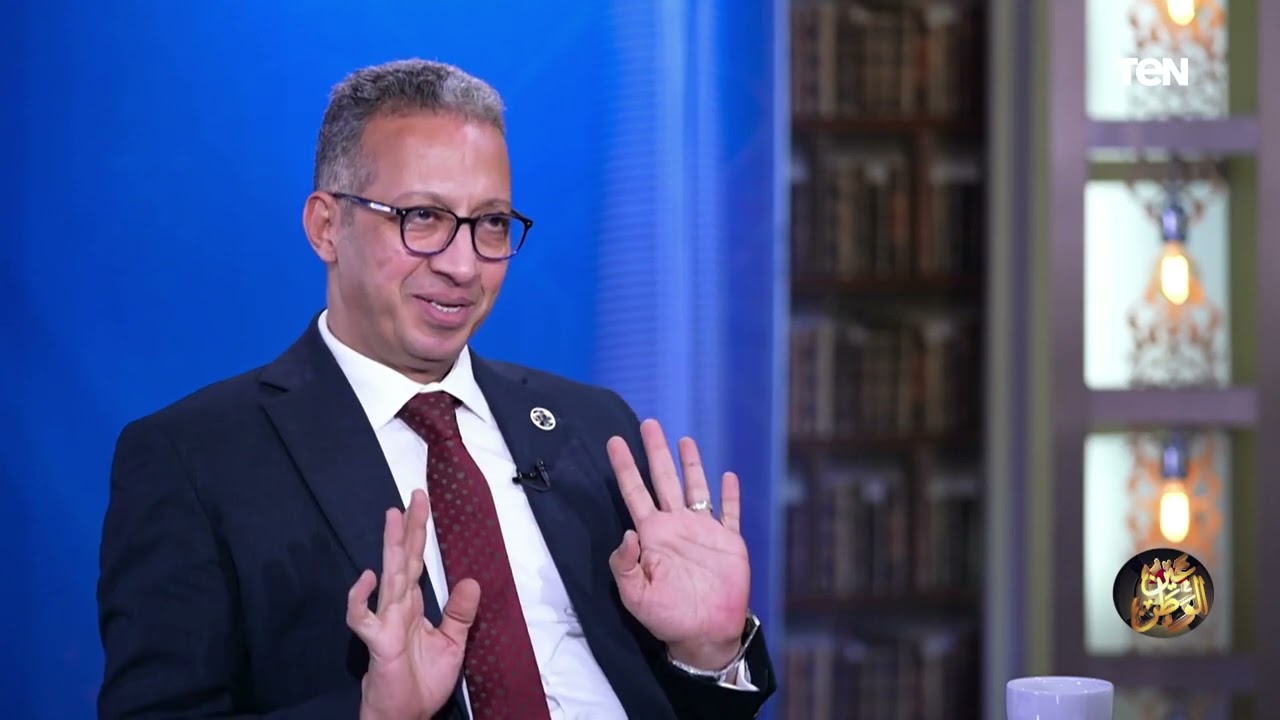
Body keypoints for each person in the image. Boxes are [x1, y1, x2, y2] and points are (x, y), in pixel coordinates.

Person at [96, 58, 776, 719]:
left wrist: (708, 650)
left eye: (491, 224)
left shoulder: (594, 428)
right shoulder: (197, 458)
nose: (463, 266)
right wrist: (371, 715)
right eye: (422, 217)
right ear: (326, 227)